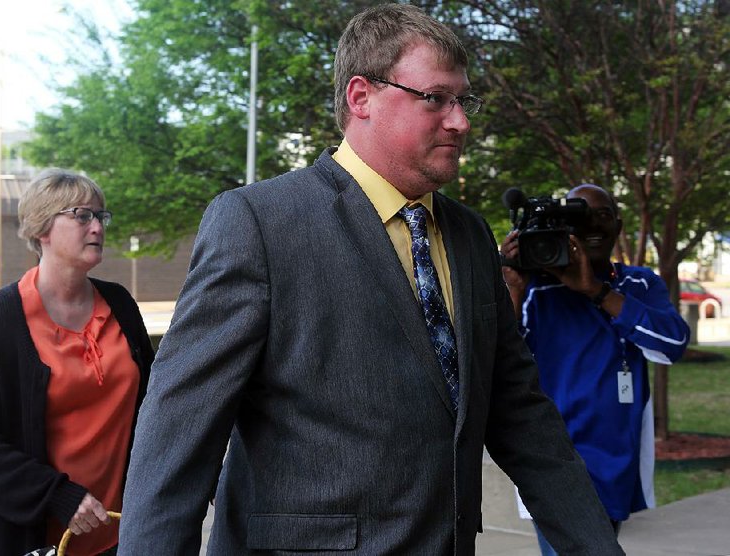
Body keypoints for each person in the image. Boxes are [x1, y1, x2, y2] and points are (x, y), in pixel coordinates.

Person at [119, 5, 623, 555]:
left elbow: (523, 416)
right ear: (361, 97)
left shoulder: (471, 236)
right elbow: (177, 438)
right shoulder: (259, 224)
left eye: (464, 100)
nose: (461, 122)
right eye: (435, 98)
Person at [0, 169, 154, 556]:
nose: (96, 226)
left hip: (117, 534)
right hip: (30, 537)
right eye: (81, 215)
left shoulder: (121, 305)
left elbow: (153, 405)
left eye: (100, 216)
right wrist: (57, 495)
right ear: (42, 228)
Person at [500, 184, 689, 555]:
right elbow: (500, 358)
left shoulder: (639, 283)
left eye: (602, 215)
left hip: (617, 456)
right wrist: (512, 287)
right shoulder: (537, 288)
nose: (592, 225)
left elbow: (672, 343)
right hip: (554, 462)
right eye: (579, 215)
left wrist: (595, 291)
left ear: (619, 225)